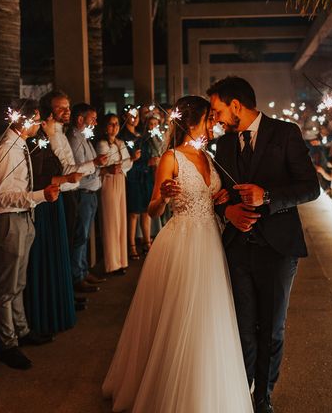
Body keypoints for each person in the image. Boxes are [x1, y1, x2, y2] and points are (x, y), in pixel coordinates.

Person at [102, 96, 253, 413]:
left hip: (211, 243)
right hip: (183, 243)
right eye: (210, 118)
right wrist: (165, 197)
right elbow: (152, 208)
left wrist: (220, 196)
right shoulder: (172, 158)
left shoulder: (208, 158)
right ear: (193, 121)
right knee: (181, 316)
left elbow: (209, 200)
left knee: (209, 316)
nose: (215, 123)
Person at [208, 76, 320, 413]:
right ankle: (243, 390)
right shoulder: (223, 145)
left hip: (277, 247)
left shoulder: (285, 134)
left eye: (218, 110)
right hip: (238, 248)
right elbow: (215, 196)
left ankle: (263, 396)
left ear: (236, 106)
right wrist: (226, 208)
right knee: (243, 327)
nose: (216, 118)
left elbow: (311, 188)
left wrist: (267, 196)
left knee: (271, 328)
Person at [0, 99, 60, 370]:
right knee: (6, 286)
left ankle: (22, 330)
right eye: (36, 119)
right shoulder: (6, 149)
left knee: (19, 281)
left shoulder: (18, 145)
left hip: (23, 218)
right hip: (7, 222)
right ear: (23, 120)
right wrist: (40, 195)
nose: (39, 124)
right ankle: (8, 344)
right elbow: (2, 197)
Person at [39, 91, 107, 294]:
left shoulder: (61, 133)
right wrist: (92, 165)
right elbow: (66, 169)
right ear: (49, 111)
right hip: (64, 193)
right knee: (71, 242)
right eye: (61, 108)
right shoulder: (53, 135)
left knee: (76, 239)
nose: (66, 111)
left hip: (72, 192)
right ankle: (72, 283)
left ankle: (75, 280)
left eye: (68, 107)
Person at [24, 112, 83, 334]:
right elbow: (35, 180)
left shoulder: (45, 143)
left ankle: (60, 306)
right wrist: (65, 180)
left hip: (54, 202)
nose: (49, 123)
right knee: (48, 257)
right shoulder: (36, 146)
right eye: (45, 120)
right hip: (44, 204)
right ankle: (45, 315)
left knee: (59, 254)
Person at [67, 103, 105, 289]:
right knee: (80, 236)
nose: (96, 122)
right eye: (92, 118)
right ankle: (77, 276)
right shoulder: (74, 140)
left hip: (91, 192)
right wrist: (96, 163)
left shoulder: (84, 137)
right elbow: (78, 168)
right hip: (82, 193)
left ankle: (83, 270)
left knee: (85, 235)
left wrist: (98, 164)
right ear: (80, 119)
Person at [118, 106, 158, 259]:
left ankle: (147, 242)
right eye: (131, 116)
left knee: (145, 211)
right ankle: (132, 245)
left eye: (136, 116)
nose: (134, 119)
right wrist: (145, 163)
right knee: (134, 212)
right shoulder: (123, 137)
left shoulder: (141, 134)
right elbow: (128, 160)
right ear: (125, 117)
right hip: (134, 176)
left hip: (146, 177)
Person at [96, 113, 133, 275]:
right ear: (105, 127)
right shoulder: (102, 144)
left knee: (121, 220)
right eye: (111, 124)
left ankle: (122, 260)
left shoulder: (120, 142)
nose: (115, 127)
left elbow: (126, 163)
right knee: (111, 221)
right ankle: (112, 263)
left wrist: (127, 162)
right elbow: (107, 164)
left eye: (117, 124)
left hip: (120, 180)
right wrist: (120, 164)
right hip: (109, 181)